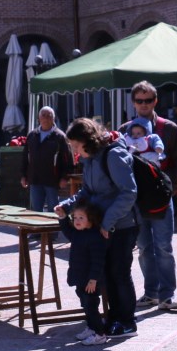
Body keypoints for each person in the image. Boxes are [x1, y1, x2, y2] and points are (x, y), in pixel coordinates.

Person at [56, 118, 138, 339]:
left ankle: (127, 322)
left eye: (75, 146)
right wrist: (67, 205)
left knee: (119, 273)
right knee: (107, 274)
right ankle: (113, 319)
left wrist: (107, 222)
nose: (73, 150)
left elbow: (129, 192)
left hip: (121, 226)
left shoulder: (112, 155)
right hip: (103, 226)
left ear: (86, 141)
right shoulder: (91, 159)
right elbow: (87, 192)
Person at [127, 81, 177, 312]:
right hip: (137, 199)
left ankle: (167, 295)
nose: (144, 104)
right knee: (143, 248)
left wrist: (170, 186)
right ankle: (151, 293)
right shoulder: (126, 130)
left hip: (161, 198)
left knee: (164, 247)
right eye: (139, 100)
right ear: (133, 102)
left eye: (148, 100)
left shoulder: (168, 128)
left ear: (155, 101)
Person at [58, 201, 109, 345]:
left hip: (90, 280)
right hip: (80, 277)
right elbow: (67, 231)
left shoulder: (95, 237)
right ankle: (91, 327)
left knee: (91, 305)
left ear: (90, 220)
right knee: (85, 303)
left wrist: (93, 279)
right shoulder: (77, 233)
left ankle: (100, 334)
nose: (77, 221)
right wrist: (63, 218)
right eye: (75, 218)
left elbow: (98, 261)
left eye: (81, 218)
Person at [22, 106, 72, 214]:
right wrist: (23, 176)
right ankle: (38, 231)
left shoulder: (60, 137)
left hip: (52, 180)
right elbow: (25, 157)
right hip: (35, 179)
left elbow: (68, 159)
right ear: (39, 118)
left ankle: (52, 231)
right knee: (36, 211)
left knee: (53, 210)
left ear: (53, 119)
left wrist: (64, 177)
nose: (46, 118)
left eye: (49, 116)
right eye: (43, 115)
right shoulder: (32, 135)